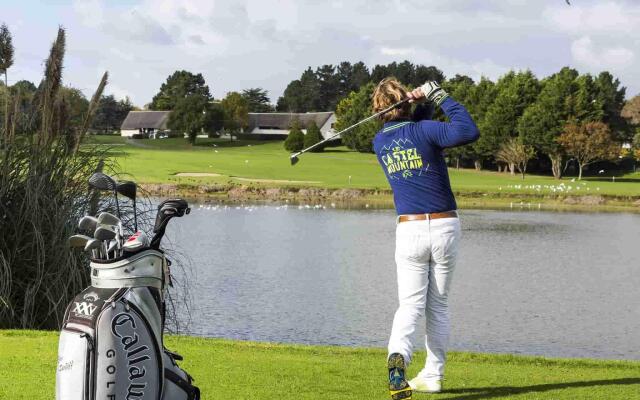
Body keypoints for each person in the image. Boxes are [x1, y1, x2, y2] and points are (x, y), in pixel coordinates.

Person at [372, 78, 480, 400]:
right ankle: (433, 374)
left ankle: (399, 359)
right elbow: (467, 131)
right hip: (445, 227)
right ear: (404, 103)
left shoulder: (380, 142)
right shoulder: (426, 131)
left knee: (410, 305)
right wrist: (436, 94)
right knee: (439, 306)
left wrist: (419, 104)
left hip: (409, 229)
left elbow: (413, 130)